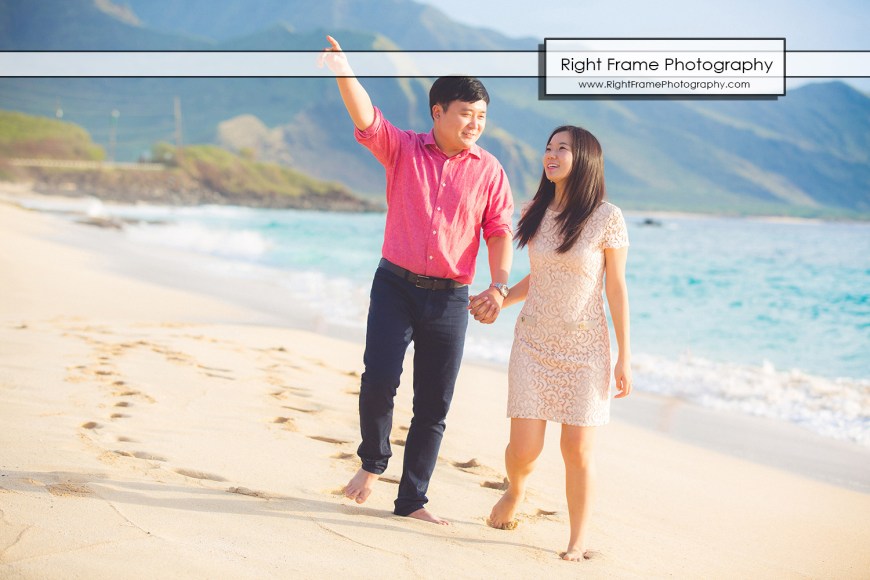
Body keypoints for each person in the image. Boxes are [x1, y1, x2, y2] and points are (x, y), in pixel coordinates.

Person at [318, 35, 514, 525]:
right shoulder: (404, 148)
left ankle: (412, 501)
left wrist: (500, 285)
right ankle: (372, 464)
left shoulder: (489, 170)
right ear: (438, 112)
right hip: (395, 286)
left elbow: (498, 230)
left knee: (434, 403)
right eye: (467, 112)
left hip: (451, 299)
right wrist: (344, 69)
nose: (475, 124)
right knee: (379, 378)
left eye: (482, 117)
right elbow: (366, 117)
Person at [482, 125, 631, 560]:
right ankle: (517, 489)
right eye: (548, 148)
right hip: (532, 343)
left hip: (586, 349)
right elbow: (541, 276)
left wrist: (625, 356)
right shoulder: (534, 210)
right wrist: (500, 299)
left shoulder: (607, 218)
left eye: (562, 149)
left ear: (583, 158)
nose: (551, 155)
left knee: (578, 451)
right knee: (525, 449)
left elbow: (616, 288)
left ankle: (578, 539)